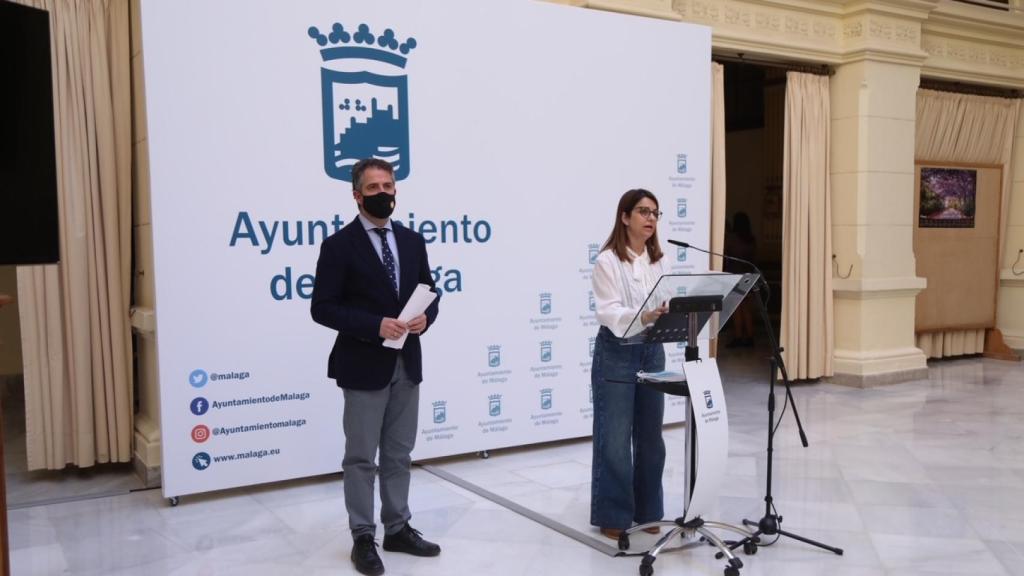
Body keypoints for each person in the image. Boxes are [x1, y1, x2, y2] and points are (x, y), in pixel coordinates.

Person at [310, 158, 441, 576]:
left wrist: (426, 318)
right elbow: (322, 308)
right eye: (373, 188)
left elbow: (429, 292)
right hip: (363, 364)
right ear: (356, 194)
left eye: (389, 185)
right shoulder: (338, 246)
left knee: (400, 453)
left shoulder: (413, 240)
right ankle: (363, 537)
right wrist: (373, 325)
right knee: (362, 458)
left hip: (407, 363)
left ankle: (398, 528)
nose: (384, 193)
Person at [590, 188, 670, 540]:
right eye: (643, 211)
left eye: (655, 213)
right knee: (615, 439)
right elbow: (608, 311)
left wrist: (666, 314)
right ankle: (614, 512)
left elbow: (665, 304)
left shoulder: (660, 262)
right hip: (618, 352)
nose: (651, 218)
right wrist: (645, 315)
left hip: (652, 350)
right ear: (625, 217)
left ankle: (649, 509)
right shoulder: (607, 261)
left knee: (652, 436)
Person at [724, 211, 757, 347]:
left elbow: (726, 254)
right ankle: (749, 337)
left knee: (737, 309)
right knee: (747, 309)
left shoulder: (732, 238)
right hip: (749, 276)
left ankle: (738, 337)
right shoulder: (751, 239)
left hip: (735, 275)